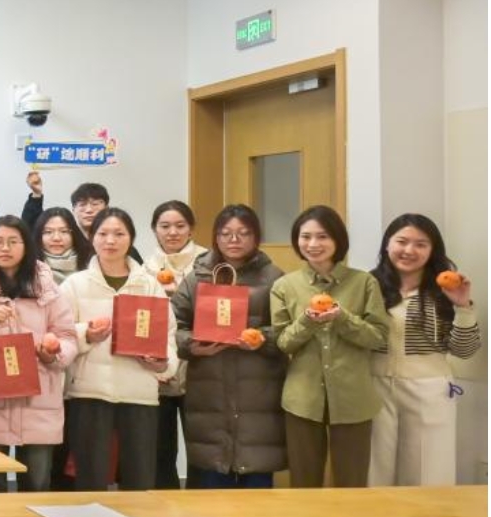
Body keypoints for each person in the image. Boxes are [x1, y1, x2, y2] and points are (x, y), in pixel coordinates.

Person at [271, 206, 390, 489]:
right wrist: (307, 321)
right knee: (304, 483)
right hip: (303, 398)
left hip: (353, 398)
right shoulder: (284, 285)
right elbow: (283, 342)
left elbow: (378, 338)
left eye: (322, 236)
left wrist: (342, 318)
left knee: (352, 483)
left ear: (338, 240)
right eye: (305, 237)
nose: (313, 244)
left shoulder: (364, 282)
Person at [59, 208, 176, 492]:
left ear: (131, 238)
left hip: (139, 393)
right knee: (90, 478)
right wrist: (86, 333)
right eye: (103, 233)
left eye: (119, 234)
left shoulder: (149, 285)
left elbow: (168, 337)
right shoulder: (75, 284)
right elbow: (60, 334)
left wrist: (161, 363)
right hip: (89, 393)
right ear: (92, 237)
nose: (110, 240)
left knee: (139, 479)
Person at [0, 217, 77, 493]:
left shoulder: (49, 288)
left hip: (39, 402)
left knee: (37, 486)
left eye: (13, 242)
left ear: (27, 246)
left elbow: (68, 337)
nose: (4, 248)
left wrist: (52, 352)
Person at [172, 205, 286, 489]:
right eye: (226, 233)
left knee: (257, 481)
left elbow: (288, 330)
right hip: (209, 390)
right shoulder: (197, 277)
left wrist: (262, 338)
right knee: (214, 481)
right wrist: (192, 345)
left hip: (259, 392)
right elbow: (173, 326)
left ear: (256, 237)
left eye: (243, 233)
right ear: (216, 237)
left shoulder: (274, 277)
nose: (234, 240)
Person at [368, 214, 479, 486]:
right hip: (373, 387)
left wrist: (463, 307)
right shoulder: (368, 285)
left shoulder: (445, 290)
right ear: (387, 244)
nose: (409, 250)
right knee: (374, 471)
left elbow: (464, 350)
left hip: (429, 389)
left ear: (432, 250)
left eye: (421, 244)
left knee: (427, 473)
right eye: (402, 241)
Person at [143, 199, 207, 490]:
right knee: (160, 449)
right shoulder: (144, 269)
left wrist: (179, 296)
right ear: (154, 230)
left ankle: (198, 510)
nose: (172, 232)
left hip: (200, 367)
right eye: (165, 226)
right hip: (159, 368)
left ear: (191, 229)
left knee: (201, 448)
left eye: (180, 226)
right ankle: (164, 509)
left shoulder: (208, 264)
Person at [34, 208, 91, 284]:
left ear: (73, 234)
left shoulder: (91, 262)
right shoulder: (30, 266)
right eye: (48, 232)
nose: (56, 238)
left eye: (64, 231)